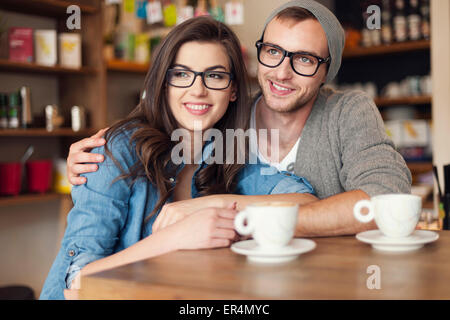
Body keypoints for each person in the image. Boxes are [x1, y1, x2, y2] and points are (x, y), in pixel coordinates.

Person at [67, 0, 411, 237]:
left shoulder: (347, 112)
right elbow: (155, 136)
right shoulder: (225, 114)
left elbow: (384, 202)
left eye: (304, 59)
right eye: (273, 52)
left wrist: (218, 206)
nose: (282, 72)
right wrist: (97, 159)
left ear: (327, 70)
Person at [40, 17, 316, 300]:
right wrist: (175, 238)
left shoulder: (229, 154)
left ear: (233, 90)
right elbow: (77, 284)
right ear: (164, 84)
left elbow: (304, 201)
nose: (198, 90)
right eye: (182, 74)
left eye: (215, 76)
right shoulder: (116, 150)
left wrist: (211, 205)